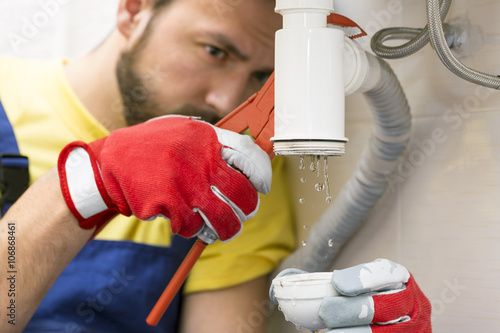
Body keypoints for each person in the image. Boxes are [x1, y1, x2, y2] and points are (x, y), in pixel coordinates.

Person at [0, 0, 431, 332]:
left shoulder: (235, 172)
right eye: (215, 51)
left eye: (260, 76)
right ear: (134, 11)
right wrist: (81, 187)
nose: (227, 101)